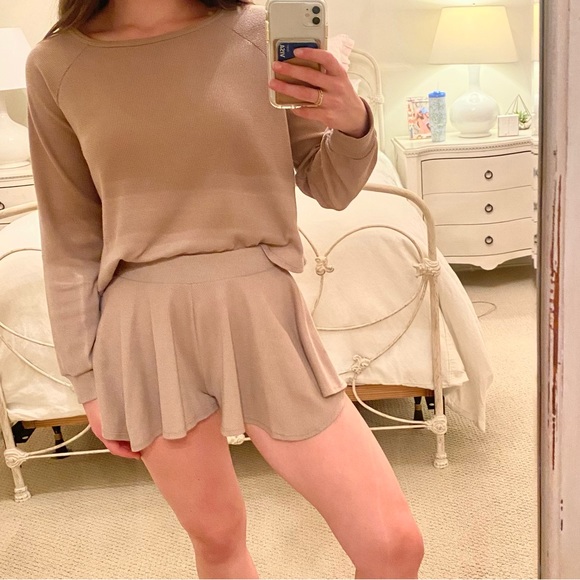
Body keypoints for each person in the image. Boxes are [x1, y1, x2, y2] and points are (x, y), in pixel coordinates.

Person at [25, 0, 424, 577]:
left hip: (262, 308)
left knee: (393, 544)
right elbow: (69, 239)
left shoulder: (260, 33)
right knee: (216, 539)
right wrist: (86, 379)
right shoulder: (56, 63)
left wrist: (354, 122)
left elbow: (330, 185)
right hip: (142, 329)